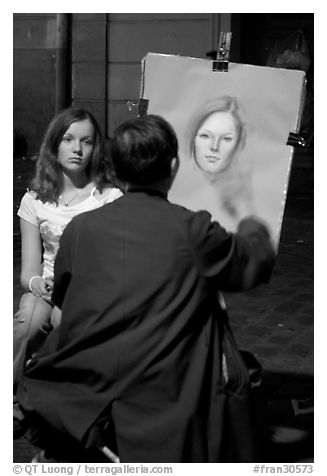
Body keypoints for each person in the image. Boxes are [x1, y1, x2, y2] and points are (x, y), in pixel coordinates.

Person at [17, 114, 275, 463]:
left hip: (86, 387)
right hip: (166, 395)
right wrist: (251, 219)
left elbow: (64, 296)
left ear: (117, 169)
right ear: (173, 165)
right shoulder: (192, 228)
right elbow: (254, 263)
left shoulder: (82, 229)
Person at [13, 107, 122, 398]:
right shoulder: (34, 199)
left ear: (95, 147)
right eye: (69, 139)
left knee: (66, 323)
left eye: (86, 141)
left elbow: (116, 265)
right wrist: (38, 285)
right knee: (28, 323)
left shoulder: (109, 197)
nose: (77, 149)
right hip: (48, 289)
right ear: (54, 145)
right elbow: (28, 272)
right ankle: (11, 395)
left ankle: (65, 399)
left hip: (91, 292)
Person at [186, 95, 254, 221]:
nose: (214, 147)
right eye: (205, 136)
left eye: (226, 139)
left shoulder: (242, 197)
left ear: (239, 143)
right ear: (192, 138)